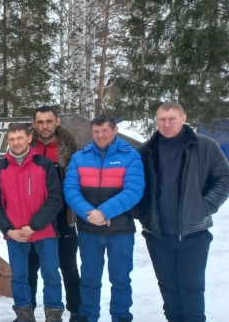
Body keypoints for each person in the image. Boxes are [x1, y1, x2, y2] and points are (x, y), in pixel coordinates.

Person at [137, 102, 229, 322]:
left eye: (172, 119)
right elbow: (135, 186)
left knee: (192, 288)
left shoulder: (205, 146)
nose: (166, 124)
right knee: (168, 289)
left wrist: (205, 207)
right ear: (156, 120)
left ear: (184, 118)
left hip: (193, 234)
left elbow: (224, 178)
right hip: (158, 235)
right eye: (161, 119)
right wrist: (142, 213)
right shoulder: (146, 151)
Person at [63, 114, 144, 322]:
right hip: (89, 229)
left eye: (105, 131)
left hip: (120, 231)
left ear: (115, 131)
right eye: (96, 132)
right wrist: (90, 213)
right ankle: (89, 316)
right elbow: (71, 190)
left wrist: (104, 212)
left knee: (121, 279)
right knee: (89, 279)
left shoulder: (130, 156)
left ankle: (121, 316)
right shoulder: (79, 157)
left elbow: (134, 191)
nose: (100, 135)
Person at [0, 123, 64, 322]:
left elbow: (55, 199)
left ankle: (53, 314)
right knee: (19, 276)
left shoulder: (44, 164)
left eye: (20, 138)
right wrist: (8, 229)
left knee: (51, 275)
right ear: (8, 141)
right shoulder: (1, 168)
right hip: (15, 234)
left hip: (44, 230)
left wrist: (34, 225)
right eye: (12, 139)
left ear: (29, 139)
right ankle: (24, 314)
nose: (16, 142)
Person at [28, 106, 82, 321]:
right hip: (32, 216)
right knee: (30, 267)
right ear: (34, 124)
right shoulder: (26, 146)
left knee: (68, 266)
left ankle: (77, 310)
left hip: (62, 216)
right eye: (40, 122)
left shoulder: (71, 147)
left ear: (57, 121)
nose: (45, 126)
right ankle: (27, 311)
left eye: (48, 121)